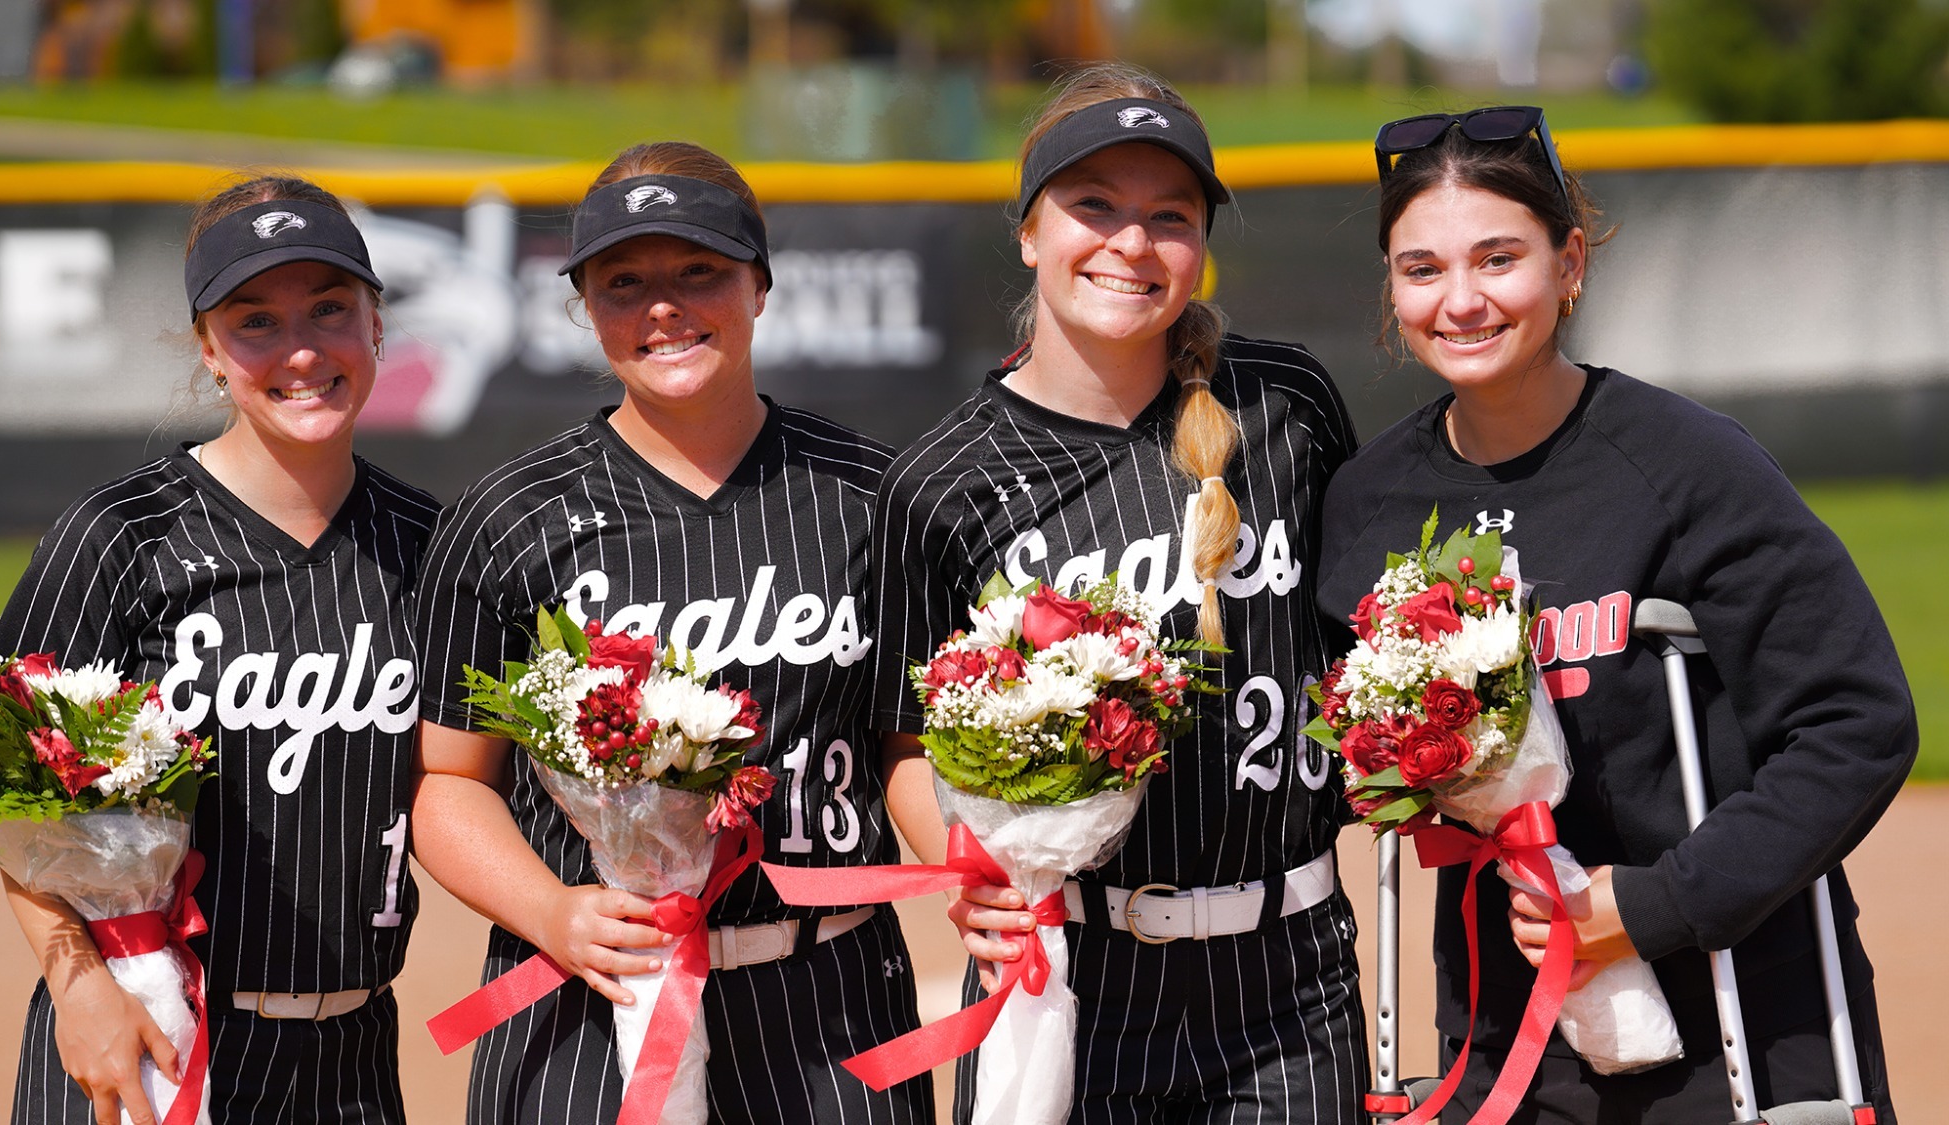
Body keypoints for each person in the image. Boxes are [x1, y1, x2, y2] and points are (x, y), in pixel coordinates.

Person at [1315, 105, 1912, 1122]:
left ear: (1568, 262)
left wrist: (1652, 905)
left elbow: (1855, 723)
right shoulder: (1365, 501)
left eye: (1496, 259)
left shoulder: (1688, 465)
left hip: (1732, 1027)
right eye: (1420, 270)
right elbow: (1334, 759)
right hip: (1499, 1038)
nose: (1458, 301)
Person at [870, 62, 1368, 1123]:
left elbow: (1347, 639)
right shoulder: (942, 481)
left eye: (1168, 217)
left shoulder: (1283, 405)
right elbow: (903, 740)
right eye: (1091, 206)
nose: (1130, 244)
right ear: (1027, 230)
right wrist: (965, 870)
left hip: (1287, 981)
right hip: (1063, 975)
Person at [408, 141, 933, 1124]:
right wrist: (551, 913)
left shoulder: (871, 494)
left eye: (699, 271)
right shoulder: (508, 515)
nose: (662, 305)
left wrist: (984, 868)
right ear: (583, 306)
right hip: (587, 1002)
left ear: (760, 285)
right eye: (622, 282)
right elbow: (447, 780)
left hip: (832, 1007)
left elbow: (903, 745)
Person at [0, 175, 440, 1125]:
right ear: (207, 347)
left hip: (350, 1058)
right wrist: (78, 990)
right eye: (256, 321)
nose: (303, 349)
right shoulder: (120, 535)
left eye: (330, 307)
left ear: (377, 324)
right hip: (139, 1031)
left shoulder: (430, 546)